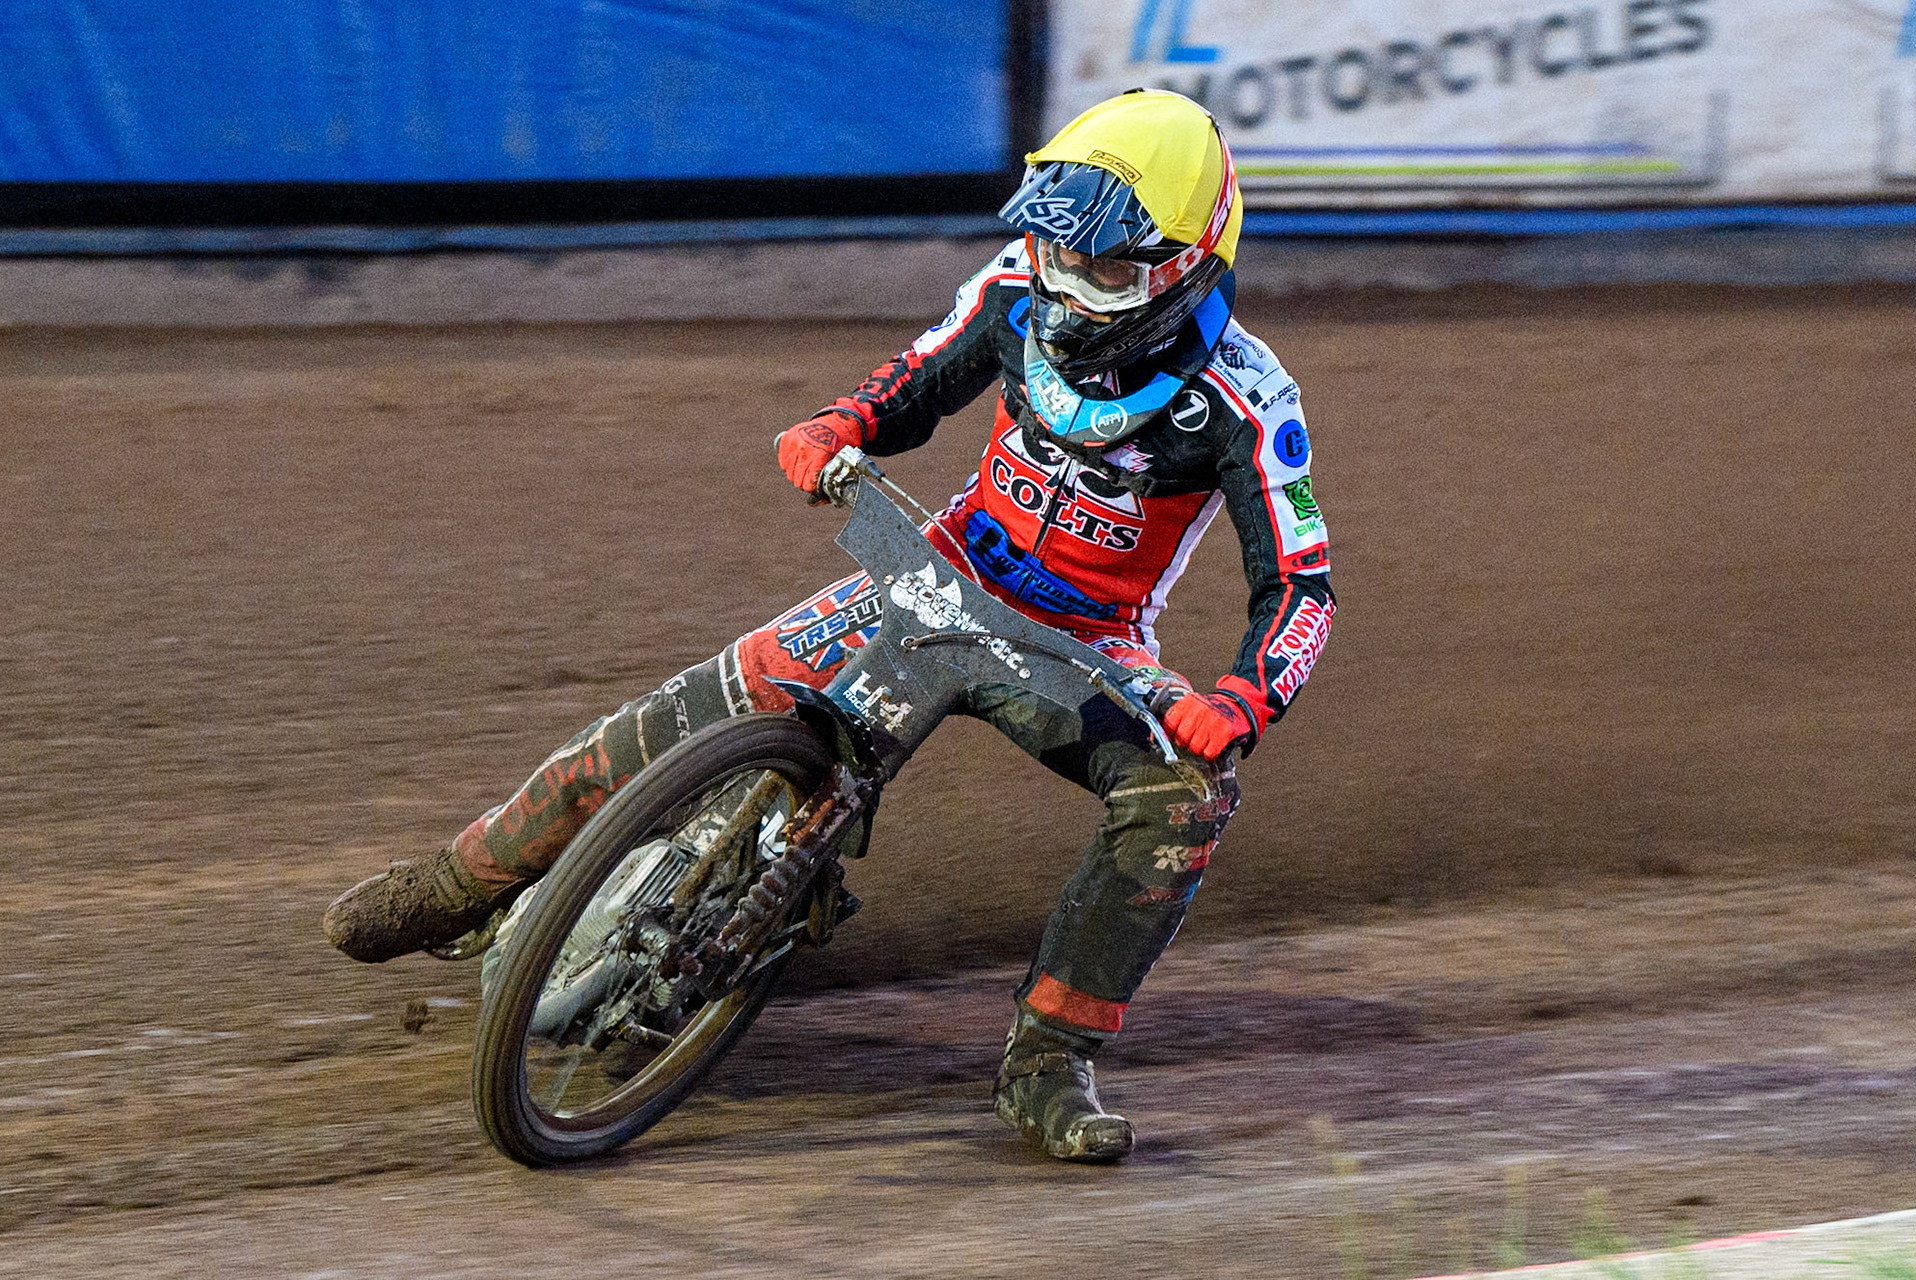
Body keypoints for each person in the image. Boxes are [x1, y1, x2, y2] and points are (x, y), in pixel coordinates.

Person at [323, 89, 1334, 1164]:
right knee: (673, 716)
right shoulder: (1013, 290)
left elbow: (1301, 587)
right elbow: (913, 382)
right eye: (1053, 246)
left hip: (1081, 643)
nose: (1068, 284)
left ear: (1186, 264)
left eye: (1105, 266)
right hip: (937, 568)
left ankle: (1049, 1059)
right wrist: (840, 422)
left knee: (1186, 794)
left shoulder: (1247, 398)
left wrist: (1244, 697)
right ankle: (453, 886)